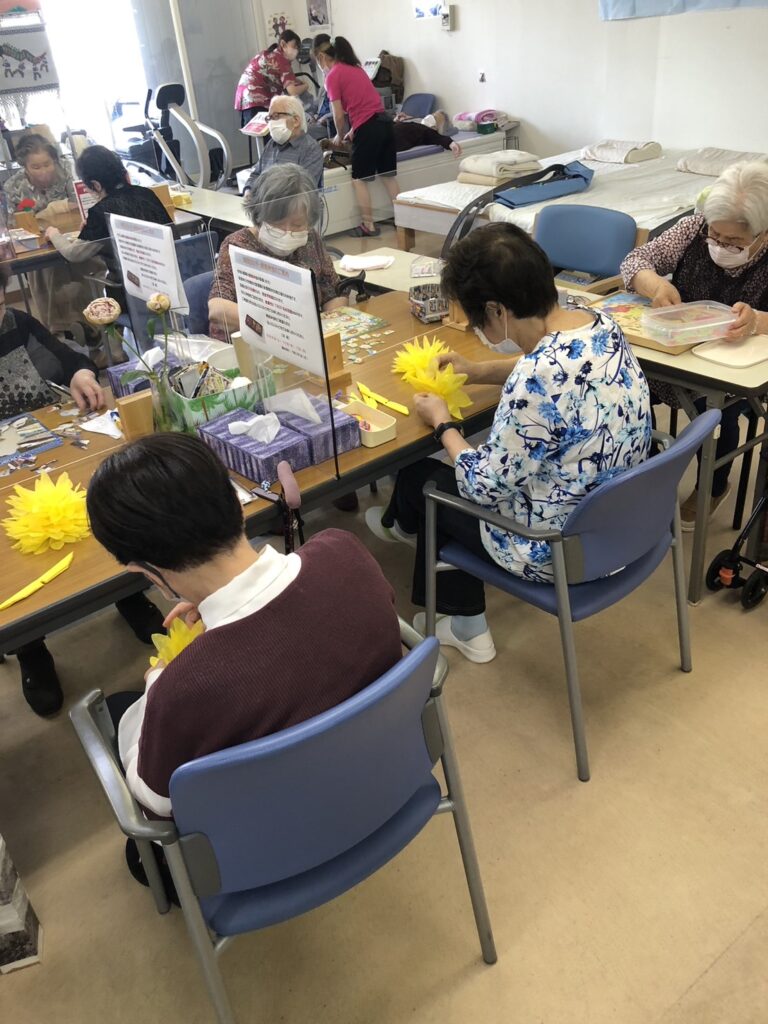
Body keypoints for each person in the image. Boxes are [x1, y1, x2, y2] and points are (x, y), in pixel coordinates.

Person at [366, 223, 652, 663]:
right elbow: (554, 368)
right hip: (624, 525)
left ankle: (466, 626)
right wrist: (478, 371)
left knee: (424, 480)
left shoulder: (533, 381)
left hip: (557, 548)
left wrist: (444, 425)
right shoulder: (599, 324)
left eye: (477, 315)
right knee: (442, 473)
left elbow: (481, 486)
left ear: (496, 310)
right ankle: (405, 528)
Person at [86, 432, 402, 820]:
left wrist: (158, 679)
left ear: (147, 572)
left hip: (276, 844)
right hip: (385, 782)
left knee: (120, 710)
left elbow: (157, 800)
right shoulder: (345, 552)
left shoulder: (183, 686)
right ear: (236, 501)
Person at [0, 263, 164, 715]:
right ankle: (31, 649)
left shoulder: (16, 324)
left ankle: (128, 595)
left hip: (49, 445)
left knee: (104, 508)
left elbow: (67, 358)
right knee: (17, 556)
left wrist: (80, 374)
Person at [621, 161, 768, 529]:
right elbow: (635, 260)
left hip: (732, 365)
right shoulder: (692, 229)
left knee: (718, 409)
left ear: (763, 233)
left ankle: (714, 483)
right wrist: (655, 285)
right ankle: (647, 472)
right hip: (677, 349)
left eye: (733, 242)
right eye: (715, 237)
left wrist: (757, 321)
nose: (719, 246)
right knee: (629, 388)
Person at [208, 163, 344, 341]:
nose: (288, 231)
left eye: (297, 225)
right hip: (250, 345)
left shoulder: (311, 239)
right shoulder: (237, 246)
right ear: (259, 215)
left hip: (305, 344)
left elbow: (334, 293)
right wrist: (283, 328)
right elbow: (218, 310)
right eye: (277, 223)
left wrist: (331, 329)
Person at [3, 133, 97, 341]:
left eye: (48, 164)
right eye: (36, 167)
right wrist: (53, 212)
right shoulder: (14, 186)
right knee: (46, 277)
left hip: (69, 238)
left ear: (55, 160)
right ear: (25, 167)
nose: (44, 171)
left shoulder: (64, 172)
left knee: (83, 268)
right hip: (37, 245)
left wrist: (51, 214)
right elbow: (14, 224)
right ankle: (59, 329)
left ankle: (90, 326)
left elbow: (78, 206)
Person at [313, 35, 400, 238]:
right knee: (388, 176)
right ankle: (404, 221)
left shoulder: (333, 75)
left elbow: (338, 114)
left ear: (323, 57)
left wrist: (339, 136)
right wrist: (353, 131)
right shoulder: (356, 67)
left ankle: (368, 226)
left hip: (369, 128)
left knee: (359, 179)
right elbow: (367, 105)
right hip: (385, 123)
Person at [44, 145, 171, 273]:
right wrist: (90, 231)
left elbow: (74, 254)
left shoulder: (101, 212)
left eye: (86, 186)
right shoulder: (147, 194)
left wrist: (53, 234)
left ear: (96, 185)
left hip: (132, 283)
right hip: (169, 274)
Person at [242, 94, 324, 194]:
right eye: (269, 118)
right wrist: (248, 191)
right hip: (264, 205)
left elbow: (301, 191)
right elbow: (256, 174)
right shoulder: (271, 144)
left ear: (296, 121)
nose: (271, 122)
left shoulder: (311, 149)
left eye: (276, 116)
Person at [234, 30, 307, 130]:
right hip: (256, 100)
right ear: (283, 44)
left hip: (243, 98)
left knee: (257, 137)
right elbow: (292, 91)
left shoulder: (268, 54)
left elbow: (280, 77)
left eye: (298, 48)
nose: (296, 51)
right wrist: (306, 86)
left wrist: (296, 81)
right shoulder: (282, 60)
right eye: (294, 47)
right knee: (267, 136)